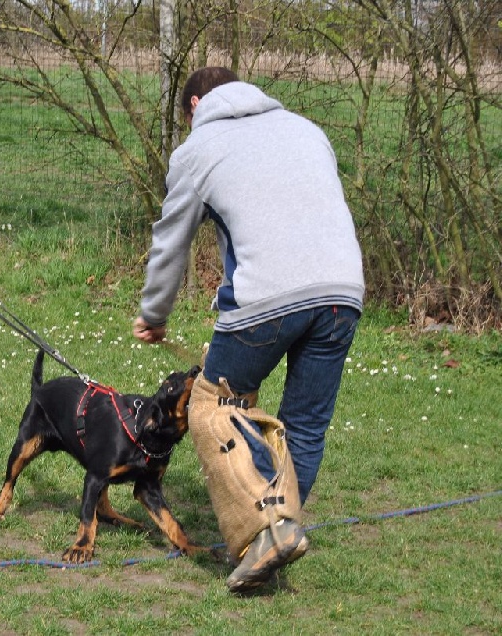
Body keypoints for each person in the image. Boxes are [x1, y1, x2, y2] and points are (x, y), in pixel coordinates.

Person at [133, 67, 364, 590]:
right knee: (303, 425)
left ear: (194, 106)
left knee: (215, 408)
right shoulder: (306, 129)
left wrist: (154, 312)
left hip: (267, 299)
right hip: (343, 292)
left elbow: (172, 242)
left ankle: (266, 534)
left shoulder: (199, 147)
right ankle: (281, 534)